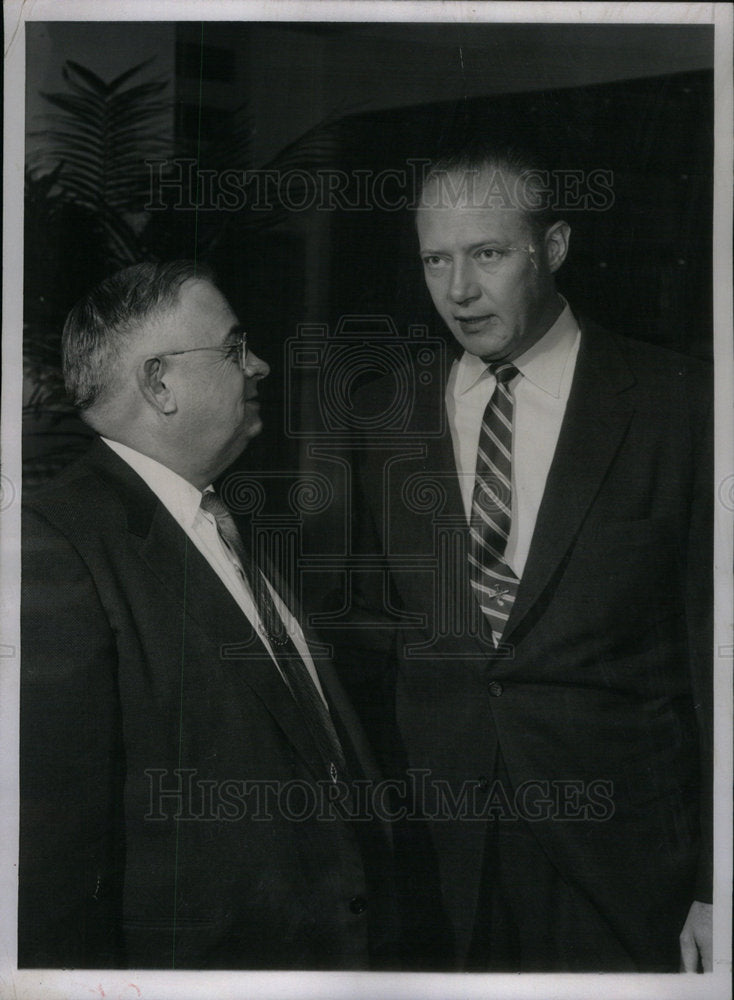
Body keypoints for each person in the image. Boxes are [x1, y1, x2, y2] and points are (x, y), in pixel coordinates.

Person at [333, 142, 713, 973]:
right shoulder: (384, 415)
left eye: (489, 254)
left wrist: (718, 882)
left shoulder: (683, 404)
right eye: (436, 259)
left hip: (624, 860)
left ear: (556, 247)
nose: (459, 291)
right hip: (440, 856)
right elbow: (373, 644)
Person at [19, 260, 398, 970]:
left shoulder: (222, 516)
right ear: (159, 383)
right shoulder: (57, 540)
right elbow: (56, 865)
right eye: (231, 347)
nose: (257, 364)